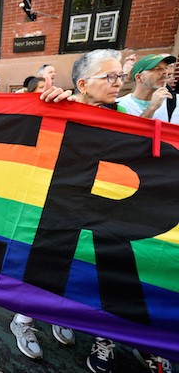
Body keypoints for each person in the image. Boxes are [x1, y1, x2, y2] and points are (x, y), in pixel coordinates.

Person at [71, 49, 173, 373]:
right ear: (84, 84)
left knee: (136, 273)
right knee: (96, 275)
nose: (118, 84)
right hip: (83, 209)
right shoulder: (66, 110)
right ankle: (105, 339)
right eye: (110, 77)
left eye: (120, 76)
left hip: (128, 207)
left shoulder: (120, 113)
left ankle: (147, 342)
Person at [116, 54, 177, 122]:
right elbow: (131, 132)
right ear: (139, 77)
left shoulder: (176, 101)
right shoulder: (119, 105)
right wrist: (151, 109)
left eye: (166, 68)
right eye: (156, 69)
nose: (165, 72)